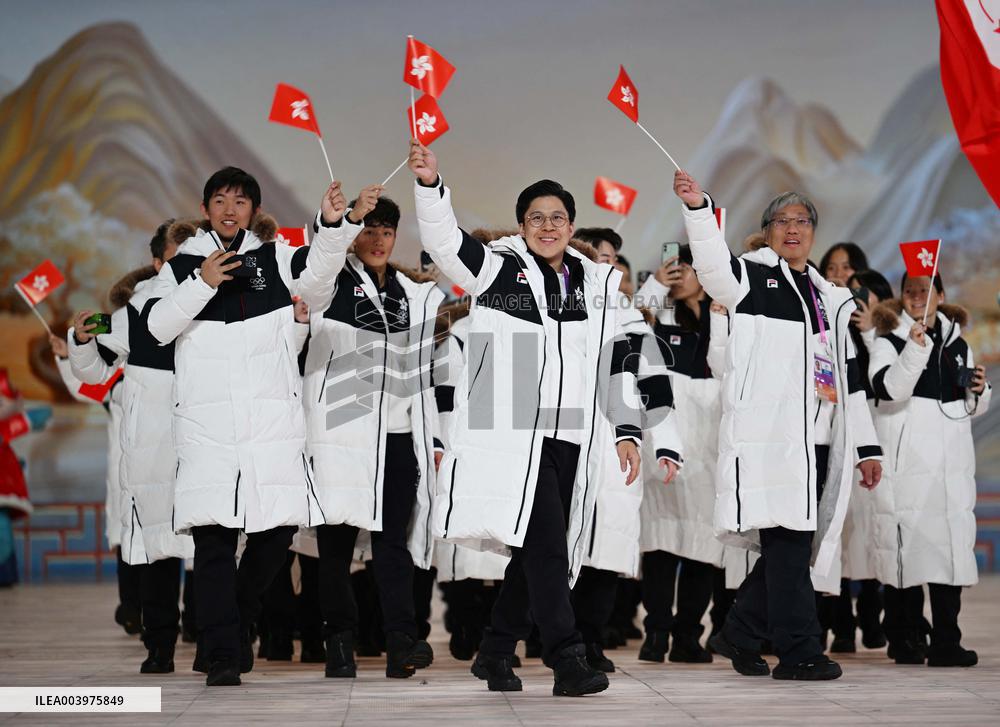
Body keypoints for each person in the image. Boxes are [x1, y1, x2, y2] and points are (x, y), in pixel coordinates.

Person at [410, 139, 644, 697]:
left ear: (571, 226)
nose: (547, 226)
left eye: (557, 217)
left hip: (572, 433)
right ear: (521, 225)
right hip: (516, 436)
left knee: (537, 551)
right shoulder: (497, 270)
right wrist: (430, 187)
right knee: (548, 551)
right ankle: (567, 658)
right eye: (536, 218)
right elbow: (443, 241)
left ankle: (495, 651)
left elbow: (615, 358)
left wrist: (627, 429)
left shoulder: (595, 283)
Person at [672, 170, 883, 681]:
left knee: (791, 547)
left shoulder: (830, 297)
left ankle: (740, 631)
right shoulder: (749, 277)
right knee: (788, 547)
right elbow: (712, 263)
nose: (793, 228)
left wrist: (866, 446)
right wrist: (699, 210)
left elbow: (847, 377)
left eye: (802, 220)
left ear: (813, 232)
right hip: (773, 439)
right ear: (767, 231)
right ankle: (799, 651)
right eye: (782, 221)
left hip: (822, 439)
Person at [145, 167, 345, 686]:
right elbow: (156, 328)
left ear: (253, 211)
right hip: (208, 427)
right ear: (205, 209)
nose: (229, 209)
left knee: (277, 534)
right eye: (220, 200)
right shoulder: (183, 264)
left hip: (271, 425)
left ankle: (235, 622)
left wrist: (330, 224)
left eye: (240, 201)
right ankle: (223, 654)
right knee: (213, 542)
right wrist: (201, 283)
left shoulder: (276, 257)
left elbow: (318, 276)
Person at [298, 189, 443, 679]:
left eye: (387, 231)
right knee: (336, 546)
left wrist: (432, 437)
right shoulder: (329, 283)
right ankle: (339, 643)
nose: (378, 240)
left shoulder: (411, 295)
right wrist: (338, 220)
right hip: (341, 429)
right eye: (369, 230)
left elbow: (422, 372)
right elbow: (314, 263)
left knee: (392, 543)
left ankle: (401, 643)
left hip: (398, 433)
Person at [68, 219, 196, 674]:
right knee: (158, 548)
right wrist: (81, 339)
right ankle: (159, 645)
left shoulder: (224, 301)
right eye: (177, 255)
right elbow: (94, 366)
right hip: (155, 446)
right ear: (157, 263)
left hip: (208, 440)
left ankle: (215, 642)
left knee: (214, 550)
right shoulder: (134, 311)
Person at [867, 271, 991, 667]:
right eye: (910, 290)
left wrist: (979, 391)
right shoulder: (888, 339)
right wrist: (915, 348)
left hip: (950, 462)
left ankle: (946, 642)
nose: (917, 296)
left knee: (948, 552)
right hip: (909, 460)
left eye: (925, 290)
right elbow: (888, 388)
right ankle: (904, 638)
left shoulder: (958, 342)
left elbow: (970, 404)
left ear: (940, 294)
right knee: (907, 550)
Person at [634, 244, 725, 664]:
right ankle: (655, 633)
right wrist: (655, 284)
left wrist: (721, 313)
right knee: (660, 543)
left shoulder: (724, 314)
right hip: (665, 434)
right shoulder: (659, 314)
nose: (679, 274)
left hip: (709, 438)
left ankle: (689, 635)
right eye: (672, 267)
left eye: (686, 267)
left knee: (703, 544)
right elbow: (629, 320)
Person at [824, 269, 895, 653]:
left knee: (872, 533)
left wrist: (871, 330)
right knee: (841, 531)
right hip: (841, 427)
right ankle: (841, 625)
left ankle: (871, 617)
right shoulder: (833, 327)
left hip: (878, 430)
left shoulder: (891, 336)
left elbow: (885, 380)